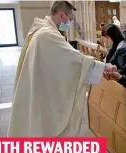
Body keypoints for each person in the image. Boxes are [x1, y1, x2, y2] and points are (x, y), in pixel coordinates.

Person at [9, 1, 117, 137]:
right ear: (61, 15)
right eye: (70, 19)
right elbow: (74, 60)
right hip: (41, 91)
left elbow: (64, 59)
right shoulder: (47, 35)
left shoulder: (40, 30)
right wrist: (104, 67)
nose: (70, 23)